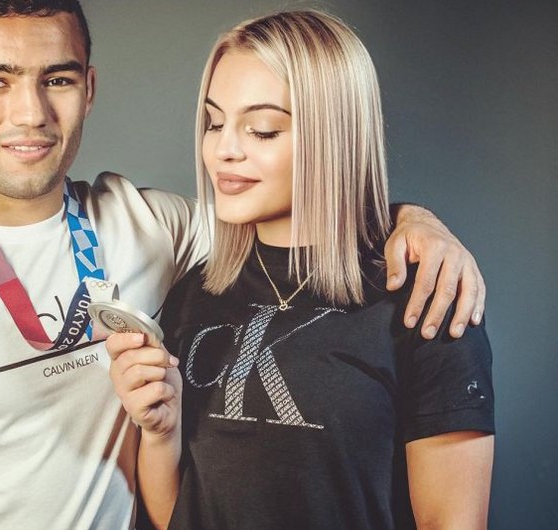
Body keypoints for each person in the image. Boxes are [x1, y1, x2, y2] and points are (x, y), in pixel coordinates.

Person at [0, 2, 485, 529]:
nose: (30, 113)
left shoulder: (156, 229)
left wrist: (414, 223)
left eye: (56, 79)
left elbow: (308, 207)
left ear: (89, 88)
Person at [107, 9, 494, 530]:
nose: (223, 150)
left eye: (262, 130)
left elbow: (452, 521)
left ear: (333, 136)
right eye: (215, 123)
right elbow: (175, 516)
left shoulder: (424, 295)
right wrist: (160, 433)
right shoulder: (194, 292)